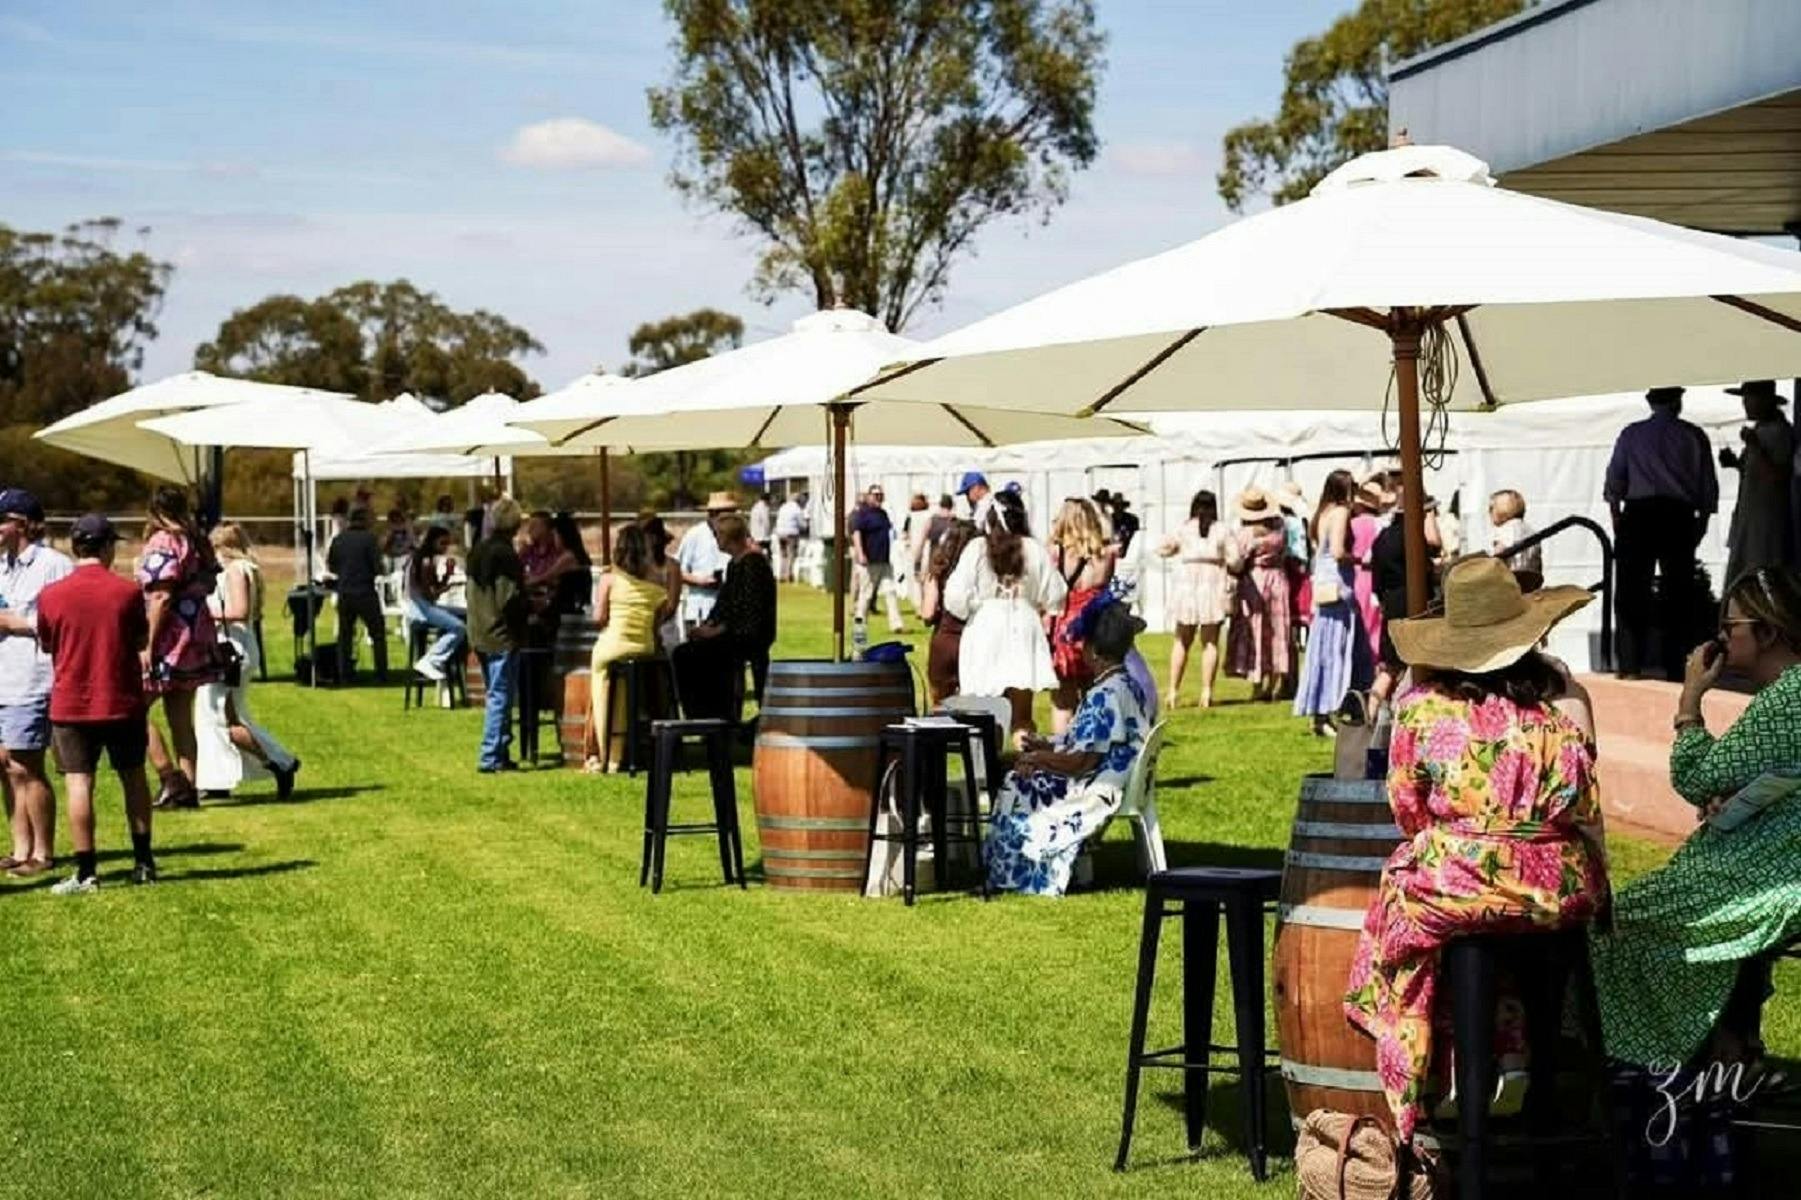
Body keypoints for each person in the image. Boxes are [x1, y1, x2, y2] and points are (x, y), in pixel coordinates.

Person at [1343, 556, 1610, 1141]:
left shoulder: (1423, 709)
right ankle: (1517, 1051)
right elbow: (1585, 806)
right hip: (1557, 892)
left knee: (1409, 905)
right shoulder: (1560, 706)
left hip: (1460, 888)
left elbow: (1407, 811)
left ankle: (1444, 1069)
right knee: (1485, 927)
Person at [1589, 566, 1801, 1075]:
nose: (1721, 641)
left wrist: (1689, 702)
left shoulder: (1787, 698)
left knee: (1612, 922)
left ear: (1768, 632)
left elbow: (1695, 777)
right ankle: (1720, 1047)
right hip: (1766, 859)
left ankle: (1664, 1058)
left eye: (1731, 629)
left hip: (1764, 875)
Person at [983, 600, 1151, 897]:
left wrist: (1036, 759)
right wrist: (1046, 746)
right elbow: (1086, 744)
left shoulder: (1105, 695)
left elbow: (1080, 763)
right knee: (1021, 772)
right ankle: (1017, 868)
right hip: (1110, 776)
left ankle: (1016, 872)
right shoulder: (1124, 684)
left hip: (1097, 785)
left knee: (1015, 782)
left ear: (1095, 653)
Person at [34, 515, 158, 893]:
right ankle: (143, 861)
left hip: (71, 702)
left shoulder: (51, 595)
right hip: (121, 698)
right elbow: (140, 640)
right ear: (106, 548)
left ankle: (87, 870)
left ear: (75, 548)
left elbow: (47, 642)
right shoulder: (127, 592)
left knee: (78, 784)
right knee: (133, 777)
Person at [1605, 385, 1720, 680]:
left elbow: (1615, 479)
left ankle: (1630, 665)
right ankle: (1676, 665)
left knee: (1630, 592)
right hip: (1676, 515)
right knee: (1678, 593)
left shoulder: (1631, 433)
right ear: (1678, 401)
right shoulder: (1692, 435)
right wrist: (1702, 521)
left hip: (1639, 513)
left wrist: (1617, 516)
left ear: (1650, 401)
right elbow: (1706, 483)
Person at [945, 489, 1068, 742]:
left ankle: (990, 774)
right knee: (1022, 715)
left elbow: (955, 596)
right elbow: (1056, 594)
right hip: (1024, 625)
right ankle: (1022, 772)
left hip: (986, 628)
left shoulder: (977, 549)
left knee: (988, 715)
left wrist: (976, 605)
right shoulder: (1033, 549)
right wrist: (1034, 604)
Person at [195, 524, 300, 798]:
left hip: (229, 648)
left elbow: (238, 610)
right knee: (227, 716)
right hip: (240, 645)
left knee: (217, 717)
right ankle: (218, 779)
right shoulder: (247, 569)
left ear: (222, 548)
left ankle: (278, 761)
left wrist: (205, 613)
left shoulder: (235, 570)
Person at [138, 485, 226, 808]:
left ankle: (170, 778)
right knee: (180, 718)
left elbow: (160, 595)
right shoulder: (195, 540)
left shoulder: (163, 542)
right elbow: (209, 580)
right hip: (196, 633)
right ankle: (188, 785)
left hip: (169, 636)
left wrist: (147, 643)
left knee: (134, 708)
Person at [0, 488, 70, 877]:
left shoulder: (53, 566)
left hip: (32, 679)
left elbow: (67, 623)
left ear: (21, 524)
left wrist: (19, 624)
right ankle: (19, 847)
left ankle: (43, 853)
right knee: (5, 766)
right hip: (3, 677)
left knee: (27, 766)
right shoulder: (2, 565)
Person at [672, 513, 776, 721]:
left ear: (728, 537)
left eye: (718, 535)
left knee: (686, 655)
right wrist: (706, 625)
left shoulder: (752, 564)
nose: (716, 539)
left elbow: (747, 613)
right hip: (733, 631)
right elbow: (724, 603)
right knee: (688, 651)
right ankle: (707, 713)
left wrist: (714, 631)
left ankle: (711, 714)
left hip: (748, 635)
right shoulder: (735, 564)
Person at [1294, 470, 1375, 735]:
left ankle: (1322, 711)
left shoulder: (1322, 513)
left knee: (1324, 649)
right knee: (1340, 650)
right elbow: (1338, 551)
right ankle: (1336, 706)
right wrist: (1360, 560)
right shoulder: (1340, 513)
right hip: (1339, 585)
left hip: (1324, 585)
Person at [584, 524, 669, 773]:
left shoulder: (610, 579)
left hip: (613, 645)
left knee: (601, 685)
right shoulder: (657, 585)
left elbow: (599, 618)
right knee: (621, 688)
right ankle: (616, 756)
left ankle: (602, 751)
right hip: (644, 647)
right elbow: (656, 625)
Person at [1156, 489, 1240, 710]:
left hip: (1187, 585)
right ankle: (1207, 692)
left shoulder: (1184, 528)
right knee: (1210, 641)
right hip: (1212, 584)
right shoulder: (1223, 530)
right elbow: (1236, 560)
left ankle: (1173, 691)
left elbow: (1162, 548)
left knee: (1181, 640)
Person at [466, 497, 529, 773]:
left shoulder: (478, 550)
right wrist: (529, 609)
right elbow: (508, 599)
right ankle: (491, 755)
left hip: (478, 629)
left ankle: (501, 751)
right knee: (500, 696)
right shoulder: (505, 555)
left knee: (497, 693)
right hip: (500, 633)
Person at [1047, 498, 1117, 733]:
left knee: (1063, 698)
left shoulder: (1055, 553)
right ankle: (1092, 751)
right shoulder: (1106, 554)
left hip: (1065, 624)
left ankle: (1064, 751)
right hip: (1095, 625)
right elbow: (1105, 586)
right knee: (1095, 692)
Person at [1369, 487, 1443, 706]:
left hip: (1392, 605)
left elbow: (1377, 579)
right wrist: (1429, 515)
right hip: (1413, 606)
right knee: (1405, 667)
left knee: (1390, 668)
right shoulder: (1413, 539)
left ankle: (1370, 713)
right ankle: (1374, 714)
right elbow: (1435, 545)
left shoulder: (1383, 537)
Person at [1720, 379, 1794, 588]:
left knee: (1762, 576)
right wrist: (1735, 463)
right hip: (1750, 517)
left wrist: (1755, 447)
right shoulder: (1761, 431)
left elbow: (1779, 476)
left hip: (1767, 522)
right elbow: (1753, 473)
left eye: (1749, 399)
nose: (1745, 404)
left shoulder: (1779, 432)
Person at [1225, 488, 1293, 701]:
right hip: (1278, 580)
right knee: (1277, 630)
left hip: (1255, 580)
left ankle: (1257, 683)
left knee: (1256, 630)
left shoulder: (1245, 535)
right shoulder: (1280, 530)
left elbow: (1237, 563)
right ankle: (1273, 682)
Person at [326, 505, 387, 683]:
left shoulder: (338, 539)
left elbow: (332, 565)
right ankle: (381, 673)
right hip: (365, 591)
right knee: (377, 634)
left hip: (344, 592)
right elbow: (378, 567)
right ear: (364, 519)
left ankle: (344, 673)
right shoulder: (369, 539)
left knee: (345, 636)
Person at [920, 520, 978, 707]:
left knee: (940, 704)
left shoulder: (938, 570)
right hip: (973, 641)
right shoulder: (981, 572)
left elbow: (927, 613)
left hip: (944, 640)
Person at [404, 526, 467, 682]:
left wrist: (447, 574)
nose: (446, 547)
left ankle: (454, 663)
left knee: (465, 613)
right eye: (442, 543)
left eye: (448, 543)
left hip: (424, 605)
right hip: (420, 608)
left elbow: (434, 589)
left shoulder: (427, 560)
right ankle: (431, 660)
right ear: (432, 542)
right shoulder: (425, 562)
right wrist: (447, 586)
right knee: (459, 627)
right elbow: (431, 595)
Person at [676, 492, 738, 635]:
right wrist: (700, 581)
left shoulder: (739, 536)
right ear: (712, 514)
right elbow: (677, 571)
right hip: (700, 609)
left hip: (730, 612)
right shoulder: (695, 535)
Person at [851, 485, 905, 634]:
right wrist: (860, 553)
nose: (878, 498)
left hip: (884, 560)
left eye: (881, 495)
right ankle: (860, 626)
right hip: (869, 561)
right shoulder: (862, 514)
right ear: (869, 496)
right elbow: (856, 534)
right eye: (875, 495)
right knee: (866, 596)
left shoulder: (883, 513)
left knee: (890, 591)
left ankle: (896, 624)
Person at [1349, 483, 1386, 669]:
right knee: (1376, 623)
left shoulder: (1352, 525)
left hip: (1357, 576)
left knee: (1360, 622)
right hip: (1376, 576)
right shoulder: (1381, 525)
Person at [640, 514, 684, 648]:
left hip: (664, 630)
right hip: (639, 628)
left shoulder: (672, 566)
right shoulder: (635, 566)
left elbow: (671, 605)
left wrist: (653, 624)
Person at [1486, 487, 1541, 581]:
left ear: (1502, 510)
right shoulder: (1530, 530)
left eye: (1492, 508)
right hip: (1531, 580)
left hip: (1510, 581)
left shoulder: (1504, 530)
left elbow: (1499, 555)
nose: (1489, 512)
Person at [901, 493, 932, 607]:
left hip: (914, 549)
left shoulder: (910, 516)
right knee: (926, 578)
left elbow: (904, 534)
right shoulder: (929, 515)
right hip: (926, 548)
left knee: (916, 579)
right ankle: (926, 603)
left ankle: (919, 605)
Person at [773, 493, 805, 582]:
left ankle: (781, 574)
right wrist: (806, 526)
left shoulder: (783, 507)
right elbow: (802, 524)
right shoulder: (797, 509)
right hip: (791, 533)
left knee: (783, 555)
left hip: (780, 533)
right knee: (791, 554)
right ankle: (788, 574)